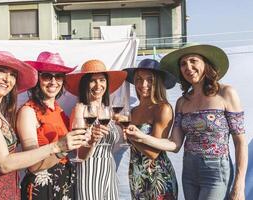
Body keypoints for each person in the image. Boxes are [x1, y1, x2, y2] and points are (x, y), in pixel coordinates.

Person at [124, 44, 248, 200]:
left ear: (206, 64)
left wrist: (239, 183)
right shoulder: (182, 102)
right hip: (189, 170)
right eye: (183, 64)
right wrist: (140, 137)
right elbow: (174, 145)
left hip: (215, 170)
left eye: (193, 61)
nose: (188, 67)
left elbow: (240, 142)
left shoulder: (226, 93)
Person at [0, 51, 87, 200]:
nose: (7, 78)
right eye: (1, 71)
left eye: (12, 74)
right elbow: (4, 164)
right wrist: (56, 147)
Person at [17, 52, 78, 200]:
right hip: (42, 186)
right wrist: (62, 151)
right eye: (47, 76)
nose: (53, 81)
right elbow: (32, 165)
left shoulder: (59, 110)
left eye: (58, 76)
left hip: (64, 181)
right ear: (37, 79)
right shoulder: (28, 112)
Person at [65, 59, 127, 200]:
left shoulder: (109, 111)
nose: (98, 85)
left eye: (102, 80)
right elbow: (79, 155)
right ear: (85, 84)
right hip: (89, 172)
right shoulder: (80, 110)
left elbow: (113, 146)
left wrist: (125, 132)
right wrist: (92, 140)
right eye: (93, 80)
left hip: (109, 171)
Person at [122, 58, 178, 199]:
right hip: (136, 176)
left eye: (150, 80)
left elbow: (153, 154)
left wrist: (128, 132)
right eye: (139, 79)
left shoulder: (162, 108)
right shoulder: (133, 111)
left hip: (158, 177)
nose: (143, 84)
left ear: (158, 82)